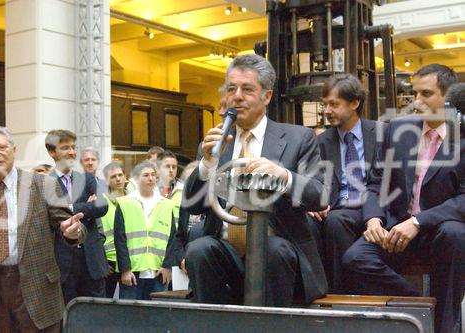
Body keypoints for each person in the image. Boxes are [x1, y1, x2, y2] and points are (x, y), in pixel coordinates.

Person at [183, 54, 327, 306]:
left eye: (247, 89)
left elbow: (320, 195)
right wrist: (206, 164)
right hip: (226, 253)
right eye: (231, 89)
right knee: (199, 249)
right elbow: (192, 206)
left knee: (271, 251)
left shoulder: (298, 138)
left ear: (267, 96)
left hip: (278, 255)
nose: (237, 96)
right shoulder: (215, 144)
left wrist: (284, 176)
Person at [342, 64, 464, 333]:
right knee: (354, 259)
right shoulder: (397, 130)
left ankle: (443, 326)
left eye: (425, 94)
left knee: (456, 234)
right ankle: (422, 306)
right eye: (414, 94)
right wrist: (373, 218)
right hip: (395, 226)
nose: (416, 103)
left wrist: (419, 222)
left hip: (437, 229)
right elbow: (375, 184)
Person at [0, 123, 85, 333]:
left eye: (0, 147)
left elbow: (71, 226)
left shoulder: (42, 185)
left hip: (37, 292)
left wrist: (72, 232)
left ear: (13, 149)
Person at [307, 74, 385, 293]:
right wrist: (313, 203)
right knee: (325, 221)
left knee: (336, 221)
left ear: (354, 103)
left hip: (374, 203)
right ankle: (326, 292)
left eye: (334, 104)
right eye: (325, 104)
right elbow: (314, 179)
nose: (327, 111)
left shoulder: (382, 133)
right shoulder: (321, 142)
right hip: (338, 207)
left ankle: (343, 294)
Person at [45, 130, 109, 304]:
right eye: (65, 148)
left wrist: (69, 207)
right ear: (52, 152)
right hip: (63, 264)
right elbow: (49, 217)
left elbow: (102, 206)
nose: (72, 152)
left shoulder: (88, 179)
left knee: (97, 318)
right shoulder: (44, 183)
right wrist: (88, 208)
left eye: (73, 147)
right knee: (68, 318)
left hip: (92, 261)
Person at [114, 161, 176, 300]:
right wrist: (125, 270)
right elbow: (120, 239)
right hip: (133, 272)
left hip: (159, 272)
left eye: (153, 175)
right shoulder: (125, 203)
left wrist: (167, 266)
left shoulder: (166, 204)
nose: (151, 178)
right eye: (146, 175)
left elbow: (172, 238)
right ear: (136, 178)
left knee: (158, 318)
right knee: (131, 317)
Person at [100, 161, 128, 298]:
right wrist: (102, 261)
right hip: (109, 261)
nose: (118, 179)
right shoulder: (101, 202)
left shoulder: (134, 199)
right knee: (105, 304)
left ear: (125, 176)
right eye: (113, 176)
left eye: (120, 175)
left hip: (129, 260)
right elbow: (96, 234)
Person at [156, 150, 183, 221]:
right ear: (158, 169)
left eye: (174, 167)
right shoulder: (149, 190)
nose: (171, 170)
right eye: (167, 166)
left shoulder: (183, 190)